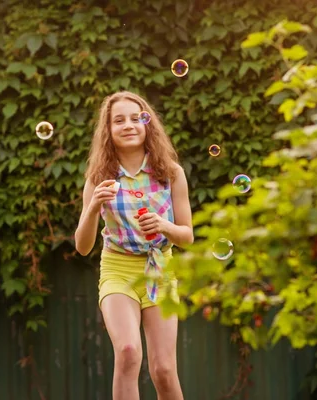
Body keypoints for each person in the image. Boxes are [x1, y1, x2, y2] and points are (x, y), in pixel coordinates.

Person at [74, 91, 193, 400]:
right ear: (108, 131)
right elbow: (83, 247)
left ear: (147, 124)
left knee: (164, 370)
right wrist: (91, 208)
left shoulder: (171, 173)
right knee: (127, 352)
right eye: (118, 120)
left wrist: (164, 226)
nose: (128, 125)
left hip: (160, 270)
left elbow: (187, 236)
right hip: (118, 270)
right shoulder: (99, 178)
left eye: (136, 118)